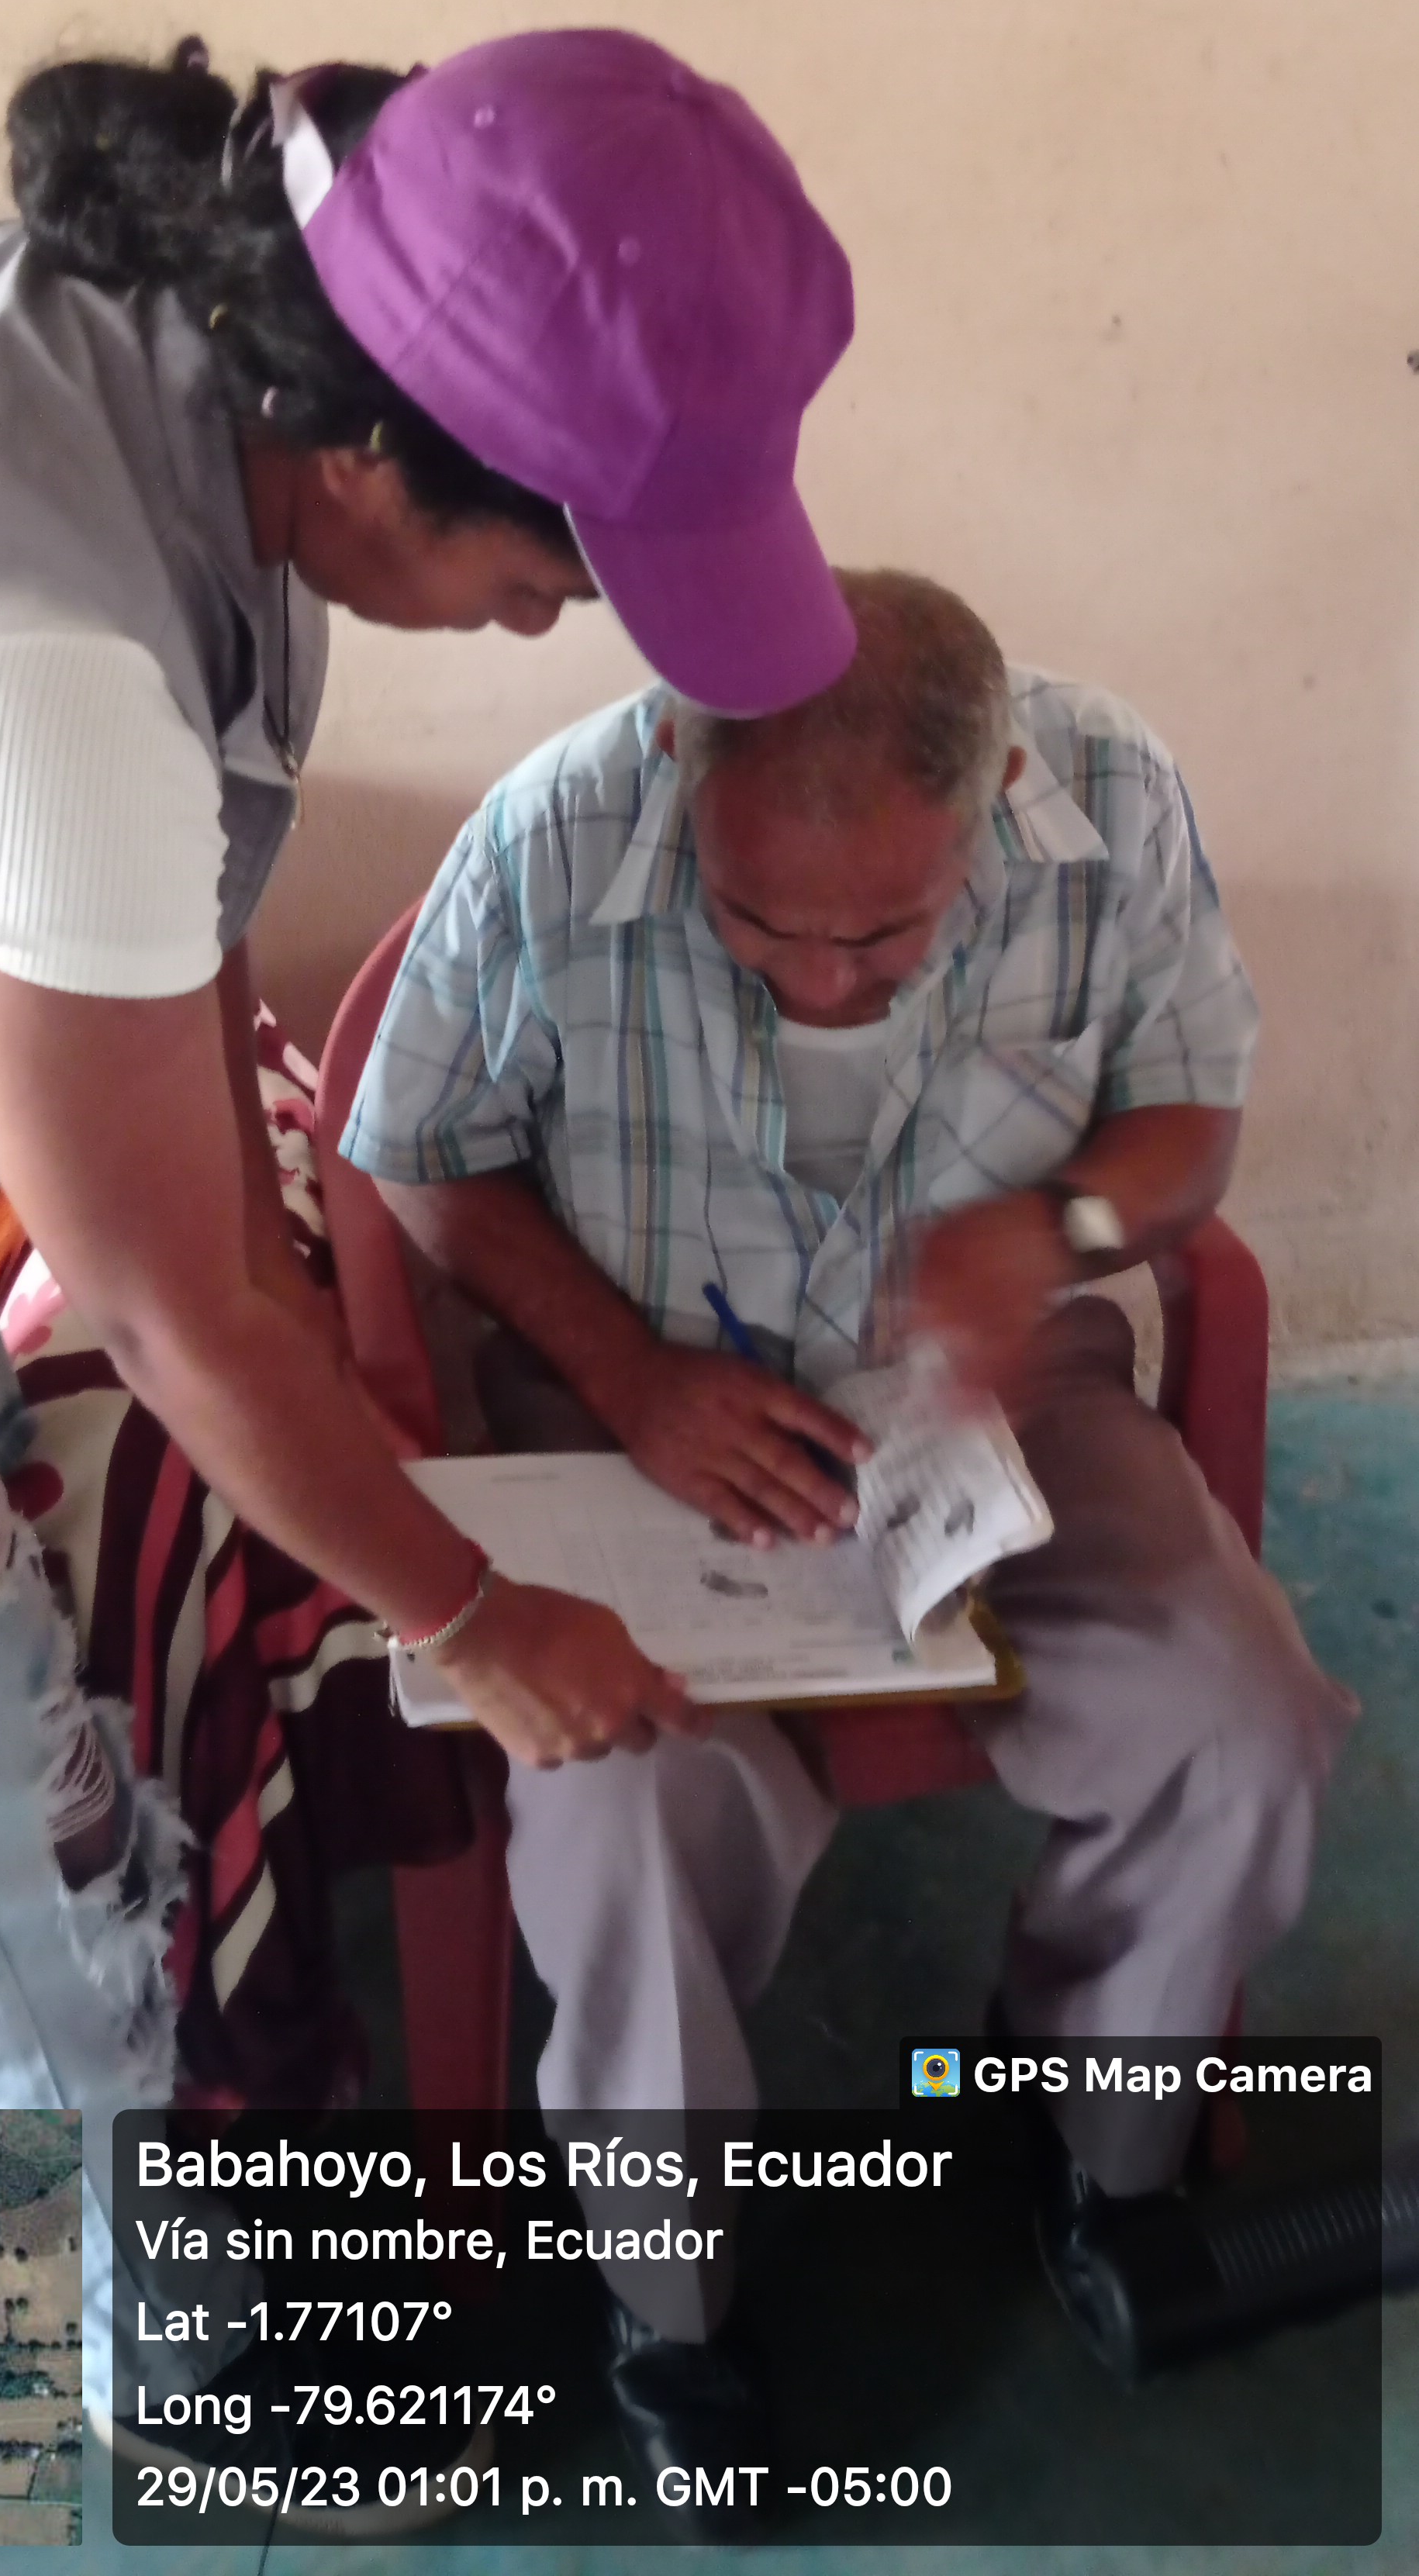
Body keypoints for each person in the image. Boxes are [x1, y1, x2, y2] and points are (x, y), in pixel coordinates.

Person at [0, 25, 861, 2431]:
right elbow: (167, 1301)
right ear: (369, 455)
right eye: (558, 562)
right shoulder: (30, 667)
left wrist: (274, 1288)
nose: (564, 616)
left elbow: (180, 950)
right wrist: (477, 1614)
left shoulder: (209, 344)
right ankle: (118, 2385)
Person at [343, 566, 1357, 2473]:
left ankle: (1087, 2119)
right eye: (760, 925)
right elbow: (421, 1158)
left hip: (993, 1404)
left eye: (890, 930)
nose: (826, 981)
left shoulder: (1112, 795)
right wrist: (630, 1377)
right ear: (680, 761)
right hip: (637, 1405)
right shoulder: (554, 832)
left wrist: (1054, 1228)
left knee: (1245, 1719)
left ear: (1000, 790)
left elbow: (1190, 1122)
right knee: (626, 1805)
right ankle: (672, 2294)